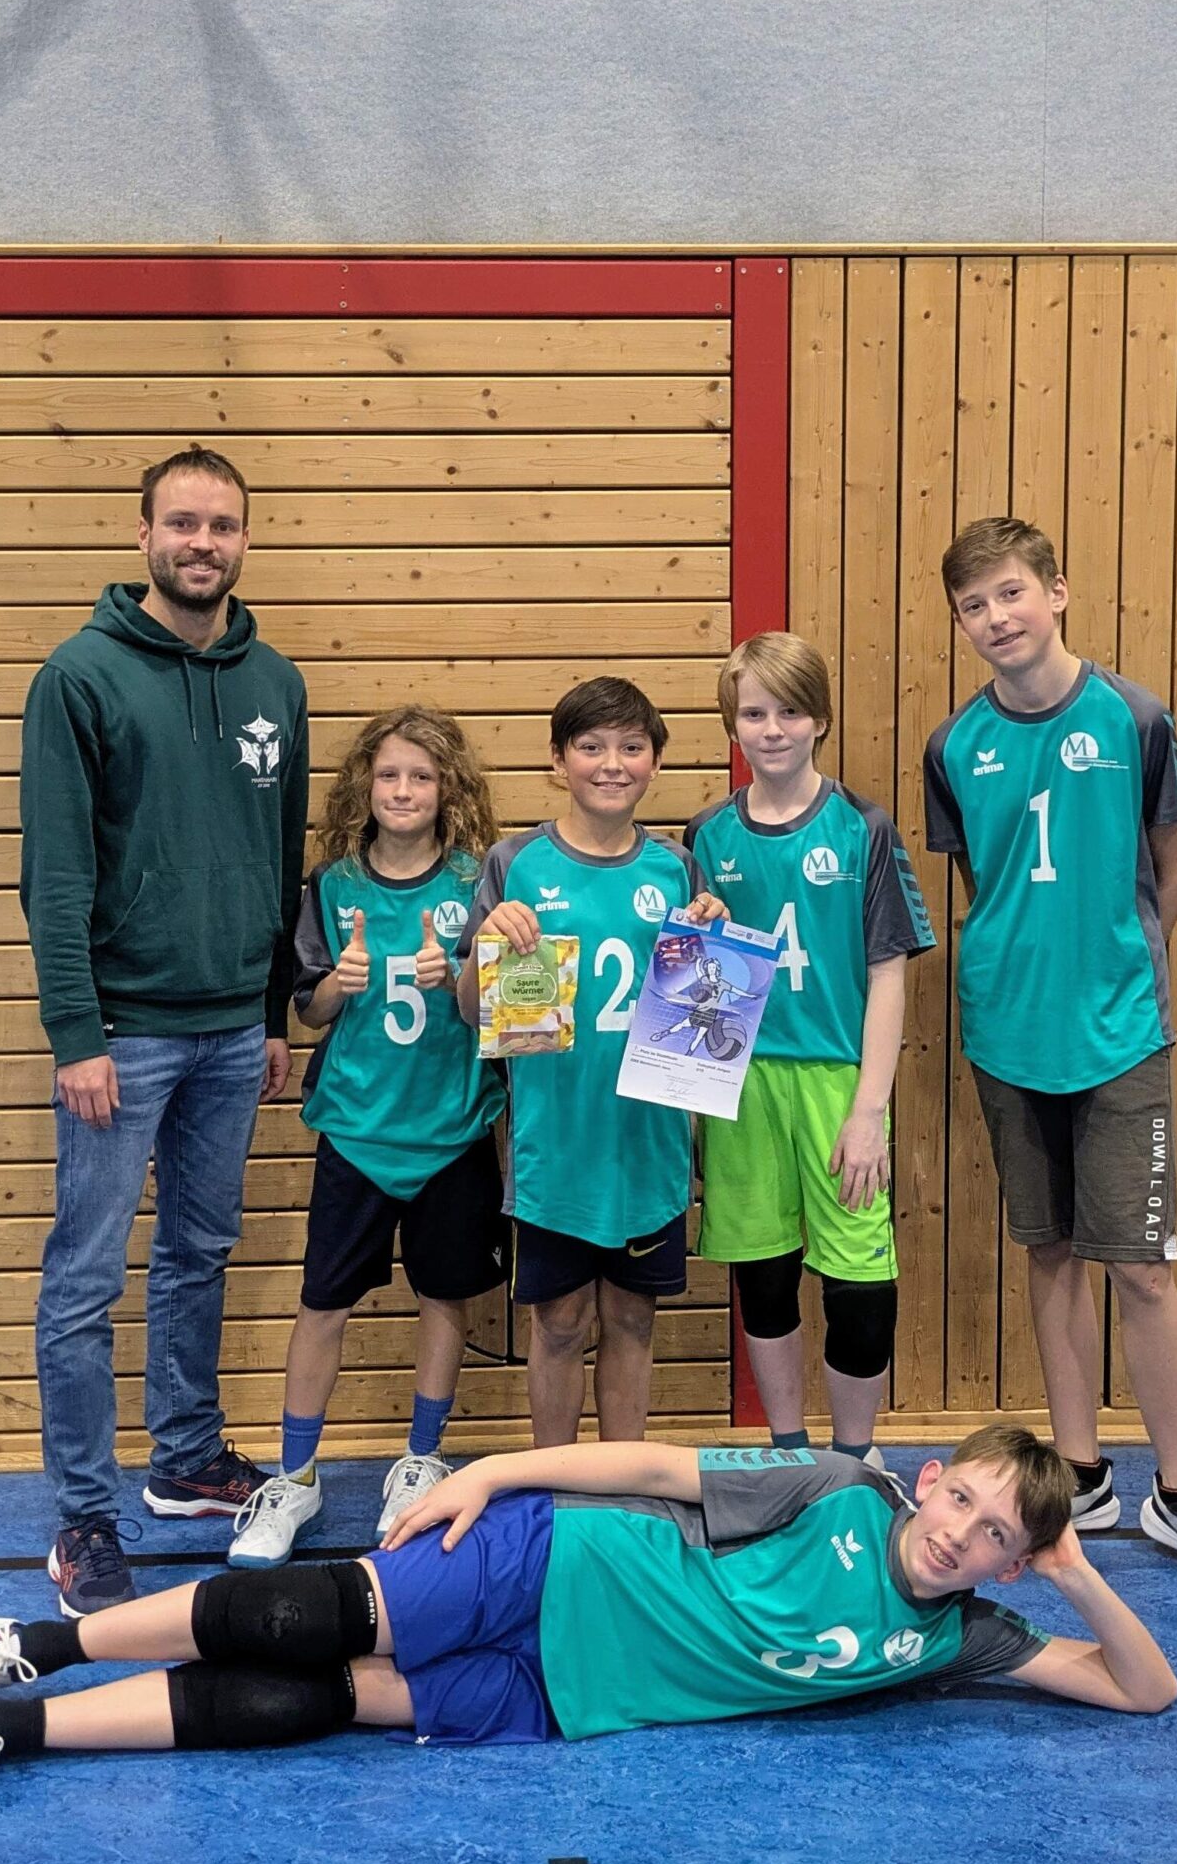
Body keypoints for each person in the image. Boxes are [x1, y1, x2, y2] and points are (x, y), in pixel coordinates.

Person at [0, 1424, 1177, 1805]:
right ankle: (18, 1649)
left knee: (319, 1700)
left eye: (997, 1537)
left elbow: (1142, 1688)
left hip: (568, 1697)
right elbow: (655, 1467)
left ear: (1013, 1564)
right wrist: (493, 1472)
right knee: (304, 1613)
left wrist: (1077, 1569)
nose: (961, 1535)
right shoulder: (835, 1488)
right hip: (554, 1562)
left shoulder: (961, 1638)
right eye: (965, 1501)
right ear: (933, 1477)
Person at [923, 517, 1177, 1609]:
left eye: (1011, 593)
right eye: (974, 605)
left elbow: (1175, 870)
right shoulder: (954, 745)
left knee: (1141, 1267)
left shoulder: (1133, 717)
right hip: (1007, 1033)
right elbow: (982, 886)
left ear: (1058, 591)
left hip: (1119, 1032)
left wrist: (1113, 962)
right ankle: (1080, 1479)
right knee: (1049, 1254)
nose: (996, 618)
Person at [17, 446, 306, 1616]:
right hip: (122, 1035)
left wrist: (271, 1009)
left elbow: (280, 860)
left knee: (200, 1252)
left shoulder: (274, 682)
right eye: (182, 523)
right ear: (143, 535)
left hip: (233, 1030)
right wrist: (74, 1032)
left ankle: (185, 1458)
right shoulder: (78, 677)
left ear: (244, 540)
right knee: (84, 1279)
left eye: (221, 526)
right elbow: (54, 874)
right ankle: (84, 1517)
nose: (202, 543)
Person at [224, 707, 509, 1568]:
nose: (404, 790)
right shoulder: (333, 884)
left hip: (452, 1127)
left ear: (448, 788)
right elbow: (308, 1009)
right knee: (322, 1302)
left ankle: (421, 1458)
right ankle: (295, 1476)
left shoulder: (479, 880)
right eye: (389, 774)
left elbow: (504, 1010)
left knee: (444, 1297)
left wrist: (457, 976)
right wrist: (337, 987)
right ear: (365, 785)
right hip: (356, 1128)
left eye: (422, 775)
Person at [684, 633, 935, 1463]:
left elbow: (888, 974)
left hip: (836, 1082)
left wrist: (869, 1110)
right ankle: (791, 1456)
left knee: (861, 1284)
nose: (773, 729)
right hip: (741, 1082)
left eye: (790, 711)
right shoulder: (706, 834)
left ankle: (853, 1461)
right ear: (732, 724)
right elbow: (693, 975)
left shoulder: (862, 826)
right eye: (754, 713)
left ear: (821, 719)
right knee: (764, 1276)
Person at [455, 677, 724, 1447]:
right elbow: (473, 1010)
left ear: (656, 762)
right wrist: (487, 946)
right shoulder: (515, 862)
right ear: (557, 760)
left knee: (633, 1318)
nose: (612, 763)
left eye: (632, 747)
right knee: (562, 1320)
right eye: (591, 746)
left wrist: (715, 936)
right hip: (554, 1145)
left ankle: (621, 1487)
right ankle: (557, 1487)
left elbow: (705, 1006)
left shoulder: (676, 867)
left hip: (648, 1144)